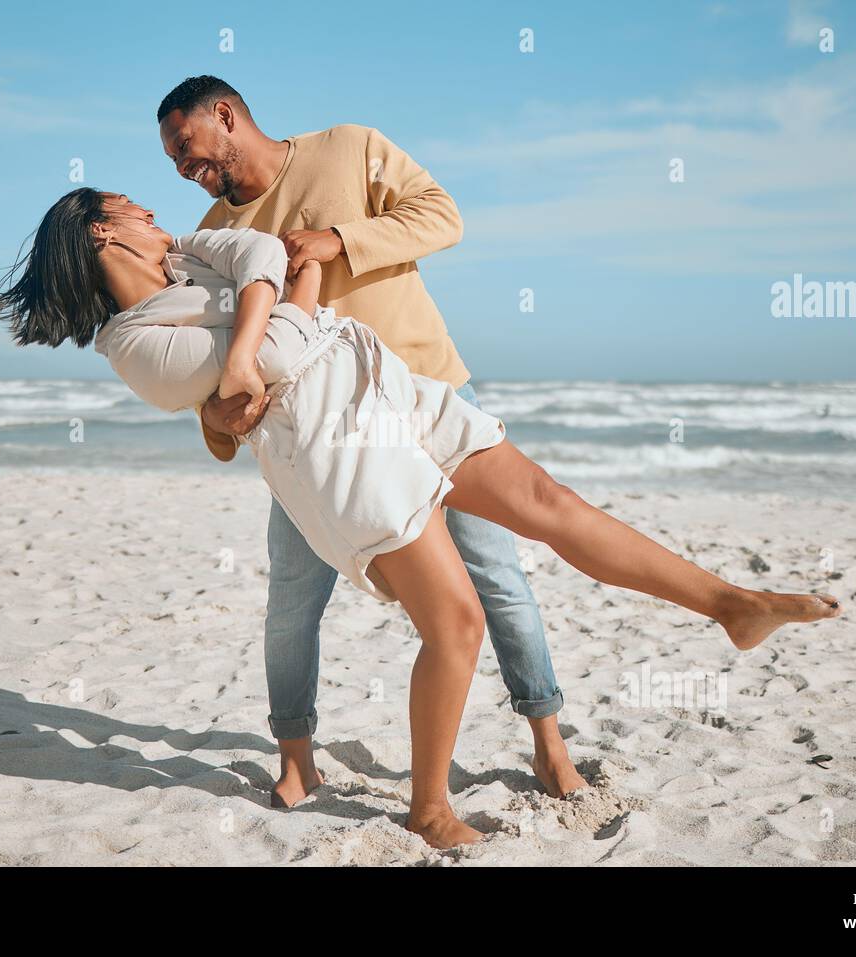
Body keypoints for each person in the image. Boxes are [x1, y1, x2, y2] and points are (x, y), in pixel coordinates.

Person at [0, 187, 843, 849]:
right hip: (334, 446)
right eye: (132, 206)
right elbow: (280, 337)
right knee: (456, 620)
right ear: (103, 230)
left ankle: (729, 603)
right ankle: (429, 809)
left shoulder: (189, 264)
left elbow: (256, 256)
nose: (155, 209)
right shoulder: (136, 342)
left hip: (386, 382)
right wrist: (285, 307)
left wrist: (256, 331)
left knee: (552, 505)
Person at [157, 75, 584, 807]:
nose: (183, 169)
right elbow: (221, 364)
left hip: (432, 396)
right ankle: (297, 759)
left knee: (499, 579)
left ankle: (549, 744)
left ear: (225, 115)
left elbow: (442, 216)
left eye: (188, 149)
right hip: (320, 441)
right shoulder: (215, 241)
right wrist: (215, 423)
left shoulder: (349, 148)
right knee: (293, 600)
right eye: (174, 161)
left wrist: (339, 241)